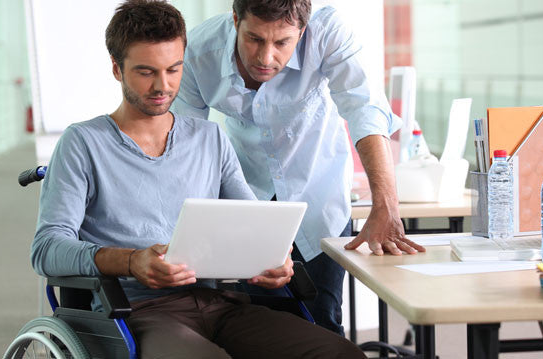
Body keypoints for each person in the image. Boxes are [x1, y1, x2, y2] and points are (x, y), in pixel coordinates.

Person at [31, 1, 365, 358]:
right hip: (138, 313)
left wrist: (273, 260)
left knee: (342, 354)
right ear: (117, 69)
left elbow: (254, 224)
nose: (163, 86)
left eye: (174, 69)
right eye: (146, 72)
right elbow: (47, 249)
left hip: (221, 304)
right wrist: (131, 261)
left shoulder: (210, 138)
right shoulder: (82, 143)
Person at [172, 0, 426, 335]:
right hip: (249, 200)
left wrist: (386, 204)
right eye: (254, 39)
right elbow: (183, 145)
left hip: (317, 197)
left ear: (302, 32)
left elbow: (364, 109)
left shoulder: (328, 32)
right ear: (236, 20)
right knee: (260, 325)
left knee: (321, 322)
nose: (266, 58)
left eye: (281, 43)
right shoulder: (199, 52)